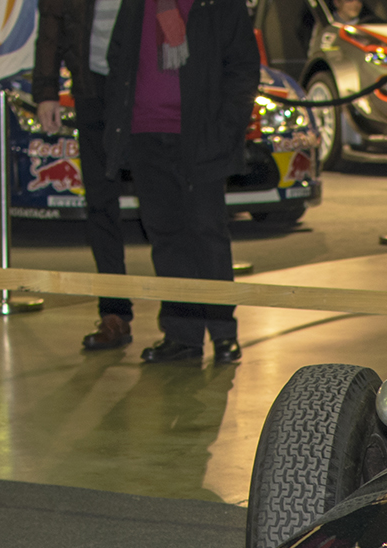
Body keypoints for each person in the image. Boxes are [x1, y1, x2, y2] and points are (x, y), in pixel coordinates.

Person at [101, 0, 259, 362]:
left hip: (201, 137)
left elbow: (244, 66)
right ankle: (182, 336)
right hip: (145, 134)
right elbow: (118, 56)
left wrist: (223, 131)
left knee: (207, 233)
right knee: (165, 235)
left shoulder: (218, 5)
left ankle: (223, 333)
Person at [34, 0, 140, 351]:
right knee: (100, 203)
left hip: (142, 90)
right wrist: (46, 91)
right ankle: (114, 314)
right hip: (91, 90)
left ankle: (182, 322)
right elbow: (50, 25)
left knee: (159, 205)